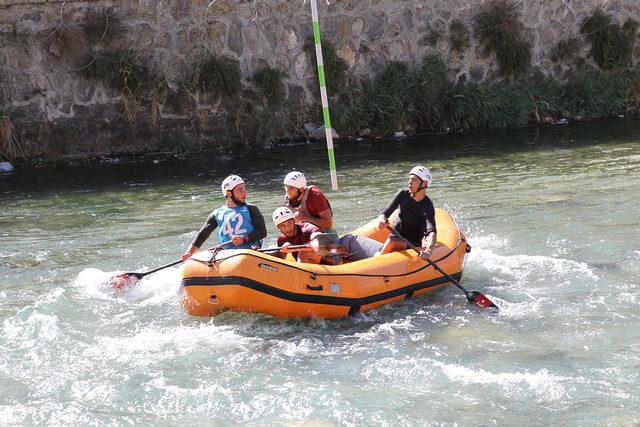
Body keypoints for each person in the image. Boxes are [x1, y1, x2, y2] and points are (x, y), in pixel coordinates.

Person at [181, 175, 267, 260]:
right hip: (228, 255)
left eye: (244, 189)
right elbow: (202, 235)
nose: (244, 193)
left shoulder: (251, 209)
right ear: (229, 193)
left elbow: (262, 232)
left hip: (250, 251)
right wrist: (189, 252)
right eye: (240, 190)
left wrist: (244, 238)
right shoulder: (217, 214)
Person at [272, 207, 383, 265]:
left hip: (336, 257)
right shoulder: (282, 239)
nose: (287, 228)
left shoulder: (307, 228)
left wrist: (293, 248)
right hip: (316, 264)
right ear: (279, 228)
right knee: (297, 250)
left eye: (289, 223)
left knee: (303, 253)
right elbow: (278, 258)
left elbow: (324, 242)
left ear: (293, 221)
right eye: (283, 226)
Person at [376, 166, 437, 260]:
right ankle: (378, 260)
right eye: (409, 179)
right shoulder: (402, 194)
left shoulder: (427, 206)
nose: (409, 182)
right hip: (395, 236)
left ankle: (378, 262)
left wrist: (428, 251)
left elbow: (431, 232)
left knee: (392, 242)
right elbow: (385, 212)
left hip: (413, 243)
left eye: (414, 180)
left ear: (424, 183)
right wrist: (381, 219)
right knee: (392, 241)